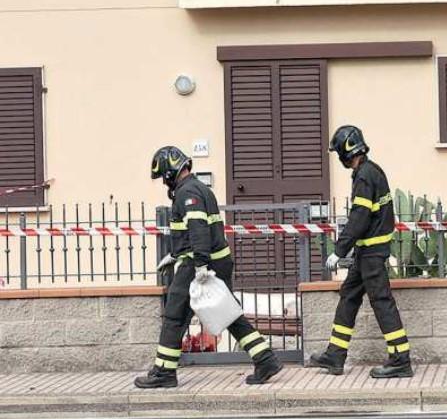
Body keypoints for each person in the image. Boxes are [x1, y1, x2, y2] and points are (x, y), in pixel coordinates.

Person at [135, 146, 282, 389]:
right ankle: (265, 359)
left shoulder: (187, 192)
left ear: (170, 172)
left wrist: (200, 265)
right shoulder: (199, 188)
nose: (164, 182)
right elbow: (194, 231)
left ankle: (164, 372)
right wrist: (174, 255)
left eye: (163, 177)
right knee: (227, 313)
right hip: (214, 261)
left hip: (197, 265)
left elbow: (198, 229)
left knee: (174, 316)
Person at [307, 125, 413, 379]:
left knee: (382, 302)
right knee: (349, 297)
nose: (339, 158)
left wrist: (339, 250)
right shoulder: (371, 170)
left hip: (371, 252)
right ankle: (335, 354)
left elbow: (360, 217)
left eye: (338, 153)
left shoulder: (365, 176)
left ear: (346, 151)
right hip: (366, 251)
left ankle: (400, 359)